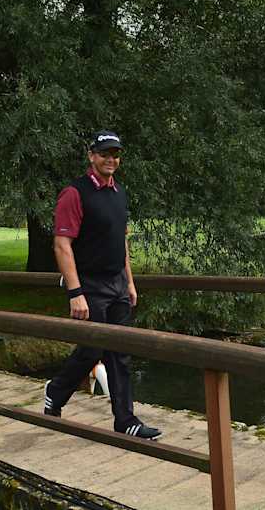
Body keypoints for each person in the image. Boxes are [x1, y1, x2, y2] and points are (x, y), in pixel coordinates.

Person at [43, 130, 162, 440]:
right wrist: (75, 292)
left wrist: (130, 283)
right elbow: (61, 245)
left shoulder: (118, 193)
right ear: (91, 156)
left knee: (120, 352)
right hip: (90, 285)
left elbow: (120, 242)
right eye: (105, 153)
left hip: (118, 285)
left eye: (116, 154)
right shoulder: (75, 193)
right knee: (92, 347)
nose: (111, 159)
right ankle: (55, 391)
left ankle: (126, 420)